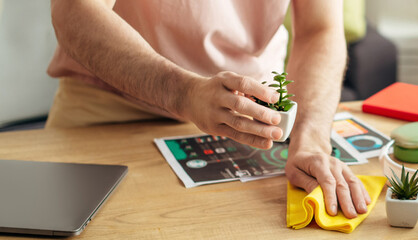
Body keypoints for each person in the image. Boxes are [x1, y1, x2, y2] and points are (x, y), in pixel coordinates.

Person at [46, 0, 370, 219]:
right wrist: (183, 93)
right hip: (109, 105)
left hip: (246, 114)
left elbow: (320, 29)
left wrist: (310, 137)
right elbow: (74, 10)